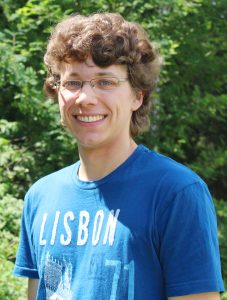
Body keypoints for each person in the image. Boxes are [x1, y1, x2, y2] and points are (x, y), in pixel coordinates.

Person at [13, 12, 224, 300]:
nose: (85, 98)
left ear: (137, 95)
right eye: (73, 82)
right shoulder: (40, 197)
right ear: (57, 91)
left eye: (105, 82)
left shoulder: (176, 193)